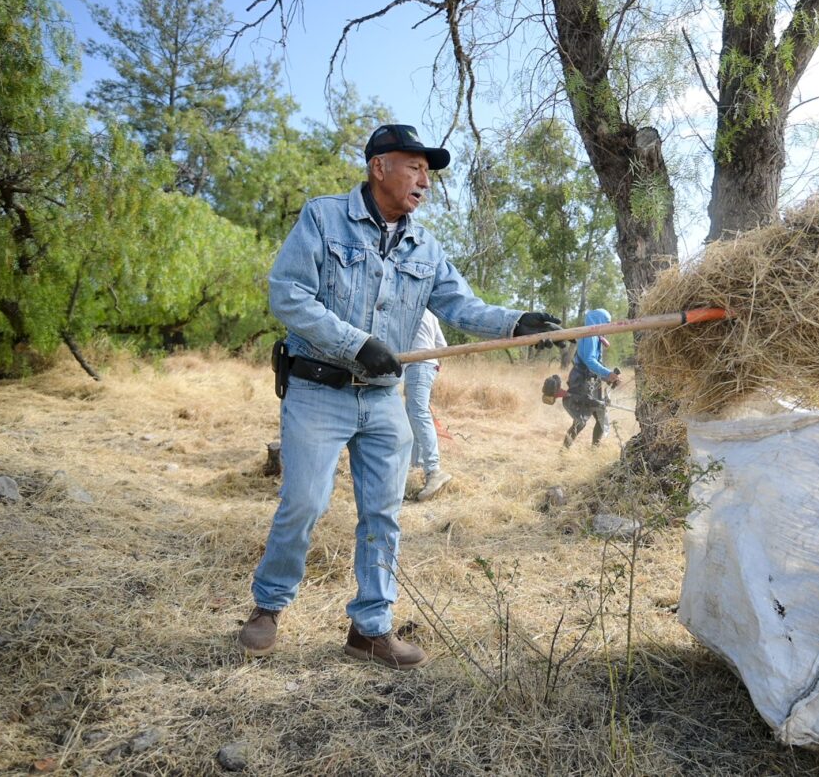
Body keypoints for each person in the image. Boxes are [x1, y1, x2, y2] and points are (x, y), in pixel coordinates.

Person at [239, 123, 563, 669]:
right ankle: (268, 607)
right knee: (305, 502)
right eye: (414, 166)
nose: (425, 180)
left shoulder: (425, 246)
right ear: (379, 167)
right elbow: (288, 294)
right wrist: (356, 342)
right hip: (319, 388)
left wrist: (515, 322)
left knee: (385, 514)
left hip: (384, 398)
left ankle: (370, 629)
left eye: (429, 171)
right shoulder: (323, 218)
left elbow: (461, 305)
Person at [404, 310, 451, 502]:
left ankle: (433, 470)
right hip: (428, 366)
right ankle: (417, 469)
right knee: (413, 416)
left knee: (418, 415)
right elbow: (442, 346)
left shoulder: (407, 308)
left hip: (418, 364)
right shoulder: (430, 313)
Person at [562, 308, 620, 448]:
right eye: (607, 322)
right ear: (599, 321)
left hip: (592, 380)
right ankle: (564, 452)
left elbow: (595, 363)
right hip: (582, 380)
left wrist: (607, 377)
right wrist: (607, 373)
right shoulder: (589, 335)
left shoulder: (597, 336)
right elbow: (589, 360)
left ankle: (594, 451)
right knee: (581, 420)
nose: (608, 325)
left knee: (601, 416)